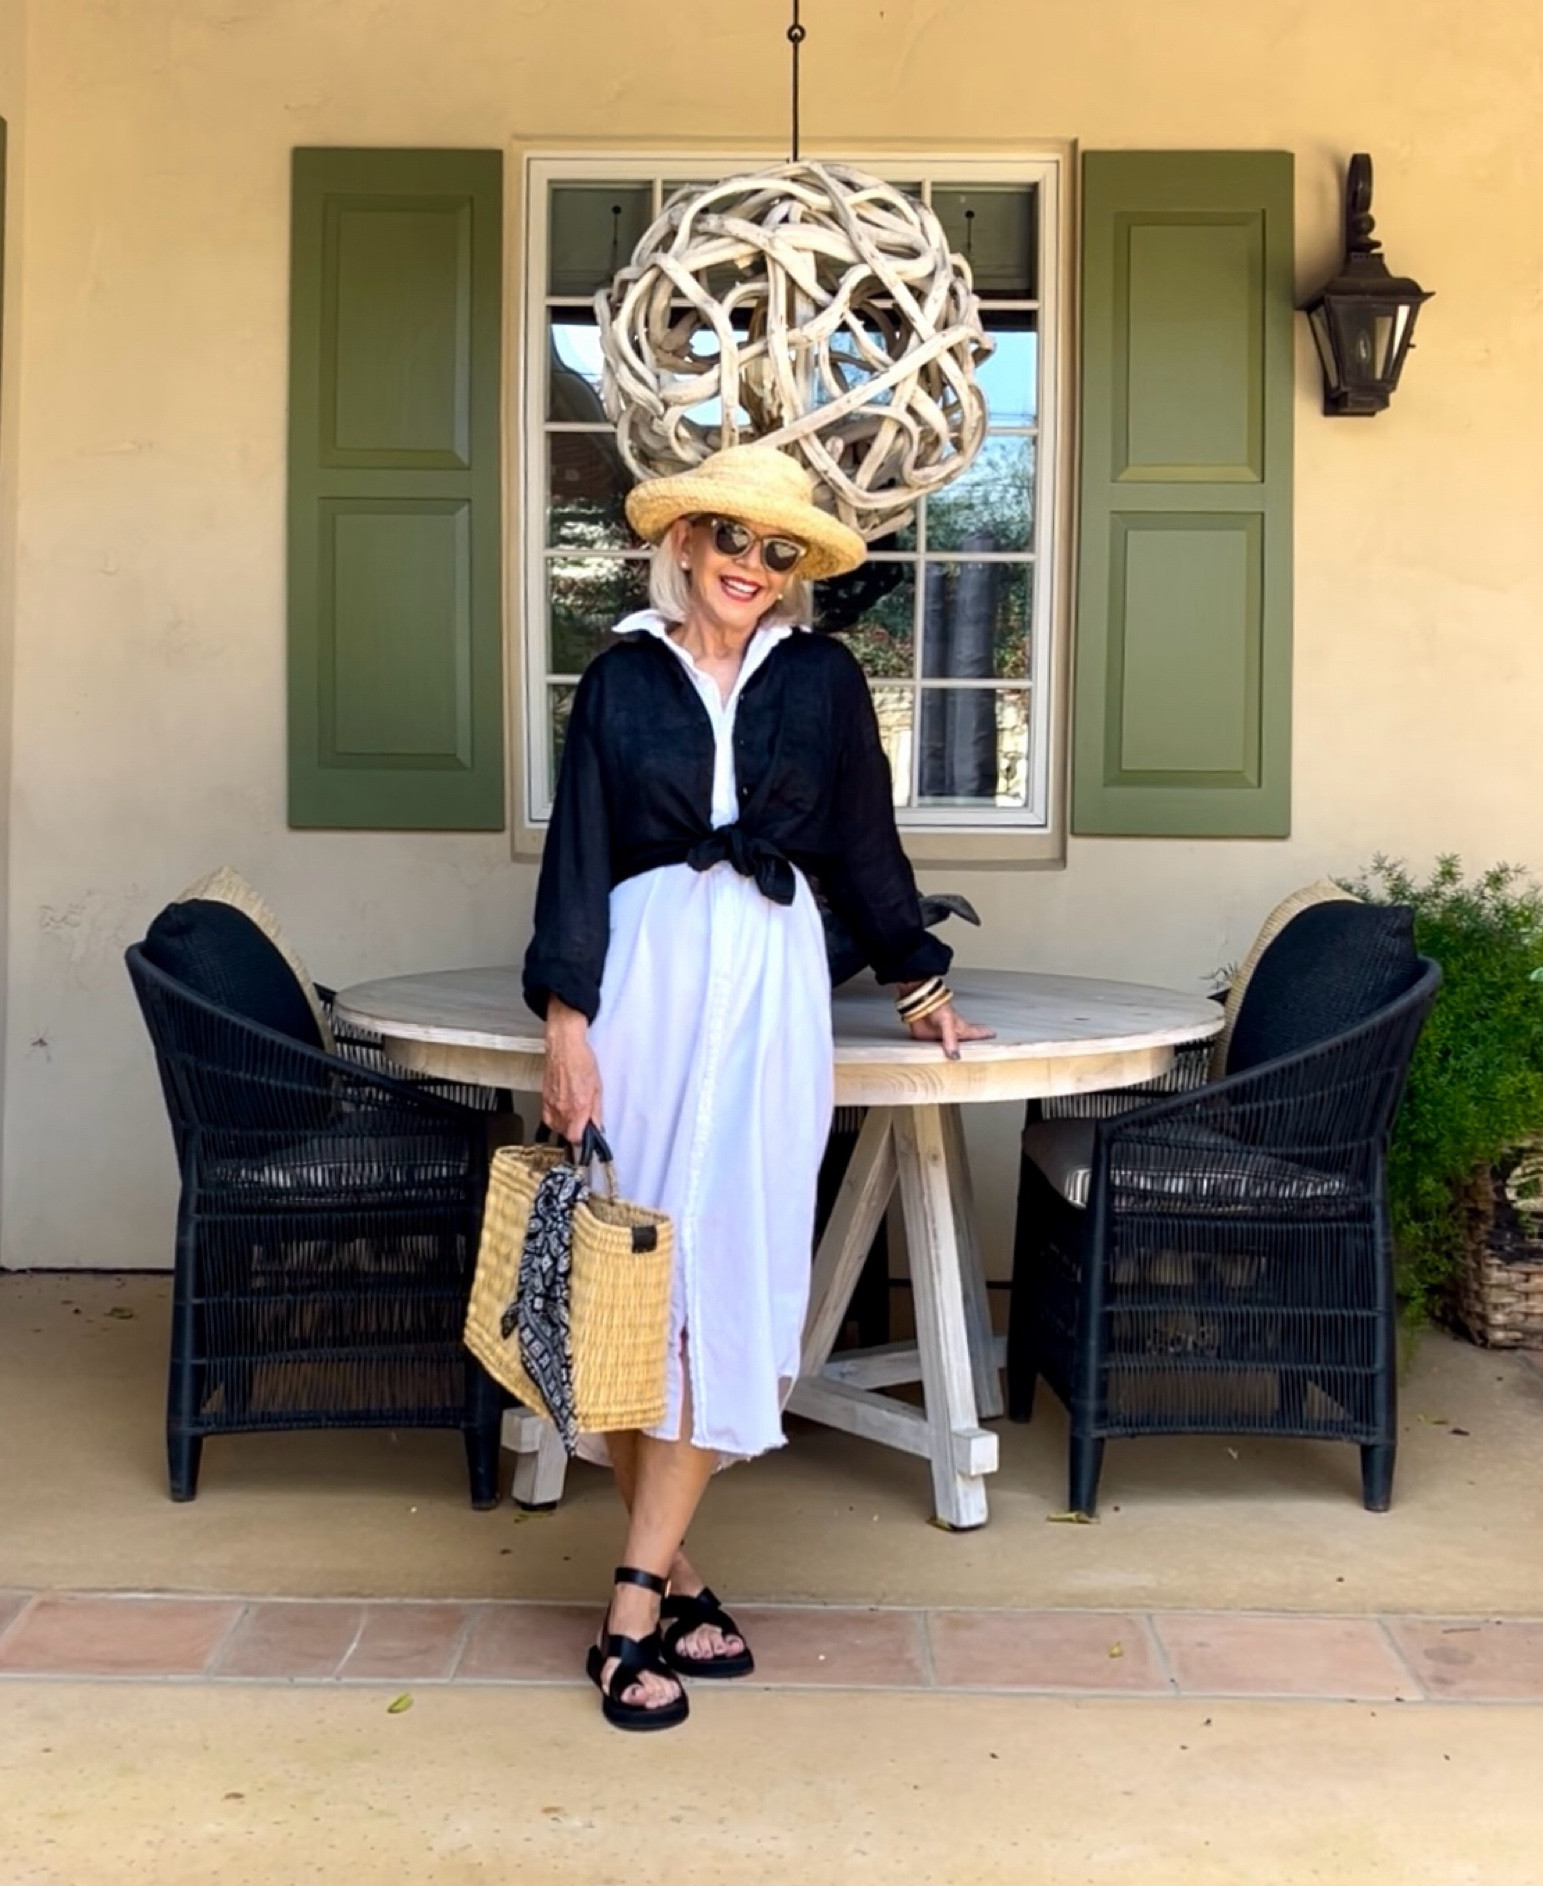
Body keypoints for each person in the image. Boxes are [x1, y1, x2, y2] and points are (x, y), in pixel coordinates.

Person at [522, 441, 992, 1730]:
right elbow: (579, 852)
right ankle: (646, 1593)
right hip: (646, 992)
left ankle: (650, 1581)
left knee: (729, 1271)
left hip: (772, 991)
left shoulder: (824, 681)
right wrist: (569, 1023)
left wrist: (922, 980)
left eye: (778, 551)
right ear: (686, 544)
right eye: (732, 539)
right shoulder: (620, 679)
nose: (751, 566)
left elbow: (863, 841)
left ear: (796, 572)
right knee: (633, 1288)